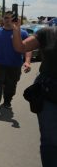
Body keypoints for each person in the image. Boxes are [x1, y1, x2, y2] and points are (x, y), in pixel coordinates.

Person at [12, 21, 57, 167]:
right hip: (48, 92)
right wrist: (16, 30)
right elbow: (21, 47)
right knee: (50, 139)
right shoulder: (47, 33)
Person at [0, 11, 32, 116]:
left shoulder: (22, 33)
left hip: (14, 65)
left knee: (11, 85)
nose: (8, 20)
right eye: (6, 18)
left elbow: (28, 48)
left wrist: (27, 62)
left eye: (11, 18)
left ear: (16, 20)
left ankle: (7, 100)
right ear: (3, 19)